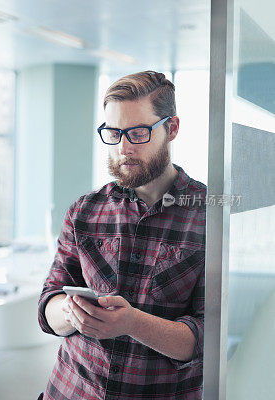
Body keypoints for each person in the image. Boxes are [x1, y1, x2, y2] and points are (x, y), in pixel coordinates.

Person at [37, 71, 206, 400]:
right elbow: (48, 305)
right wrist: (70, 311)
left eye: (138, 132)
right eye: (113, 133)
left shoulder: (207, 214)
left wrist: (131, 323)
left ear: (171, 129)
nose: (123, 148)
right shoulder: (83, 210)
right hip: (69, 391)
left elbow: (203, 340)